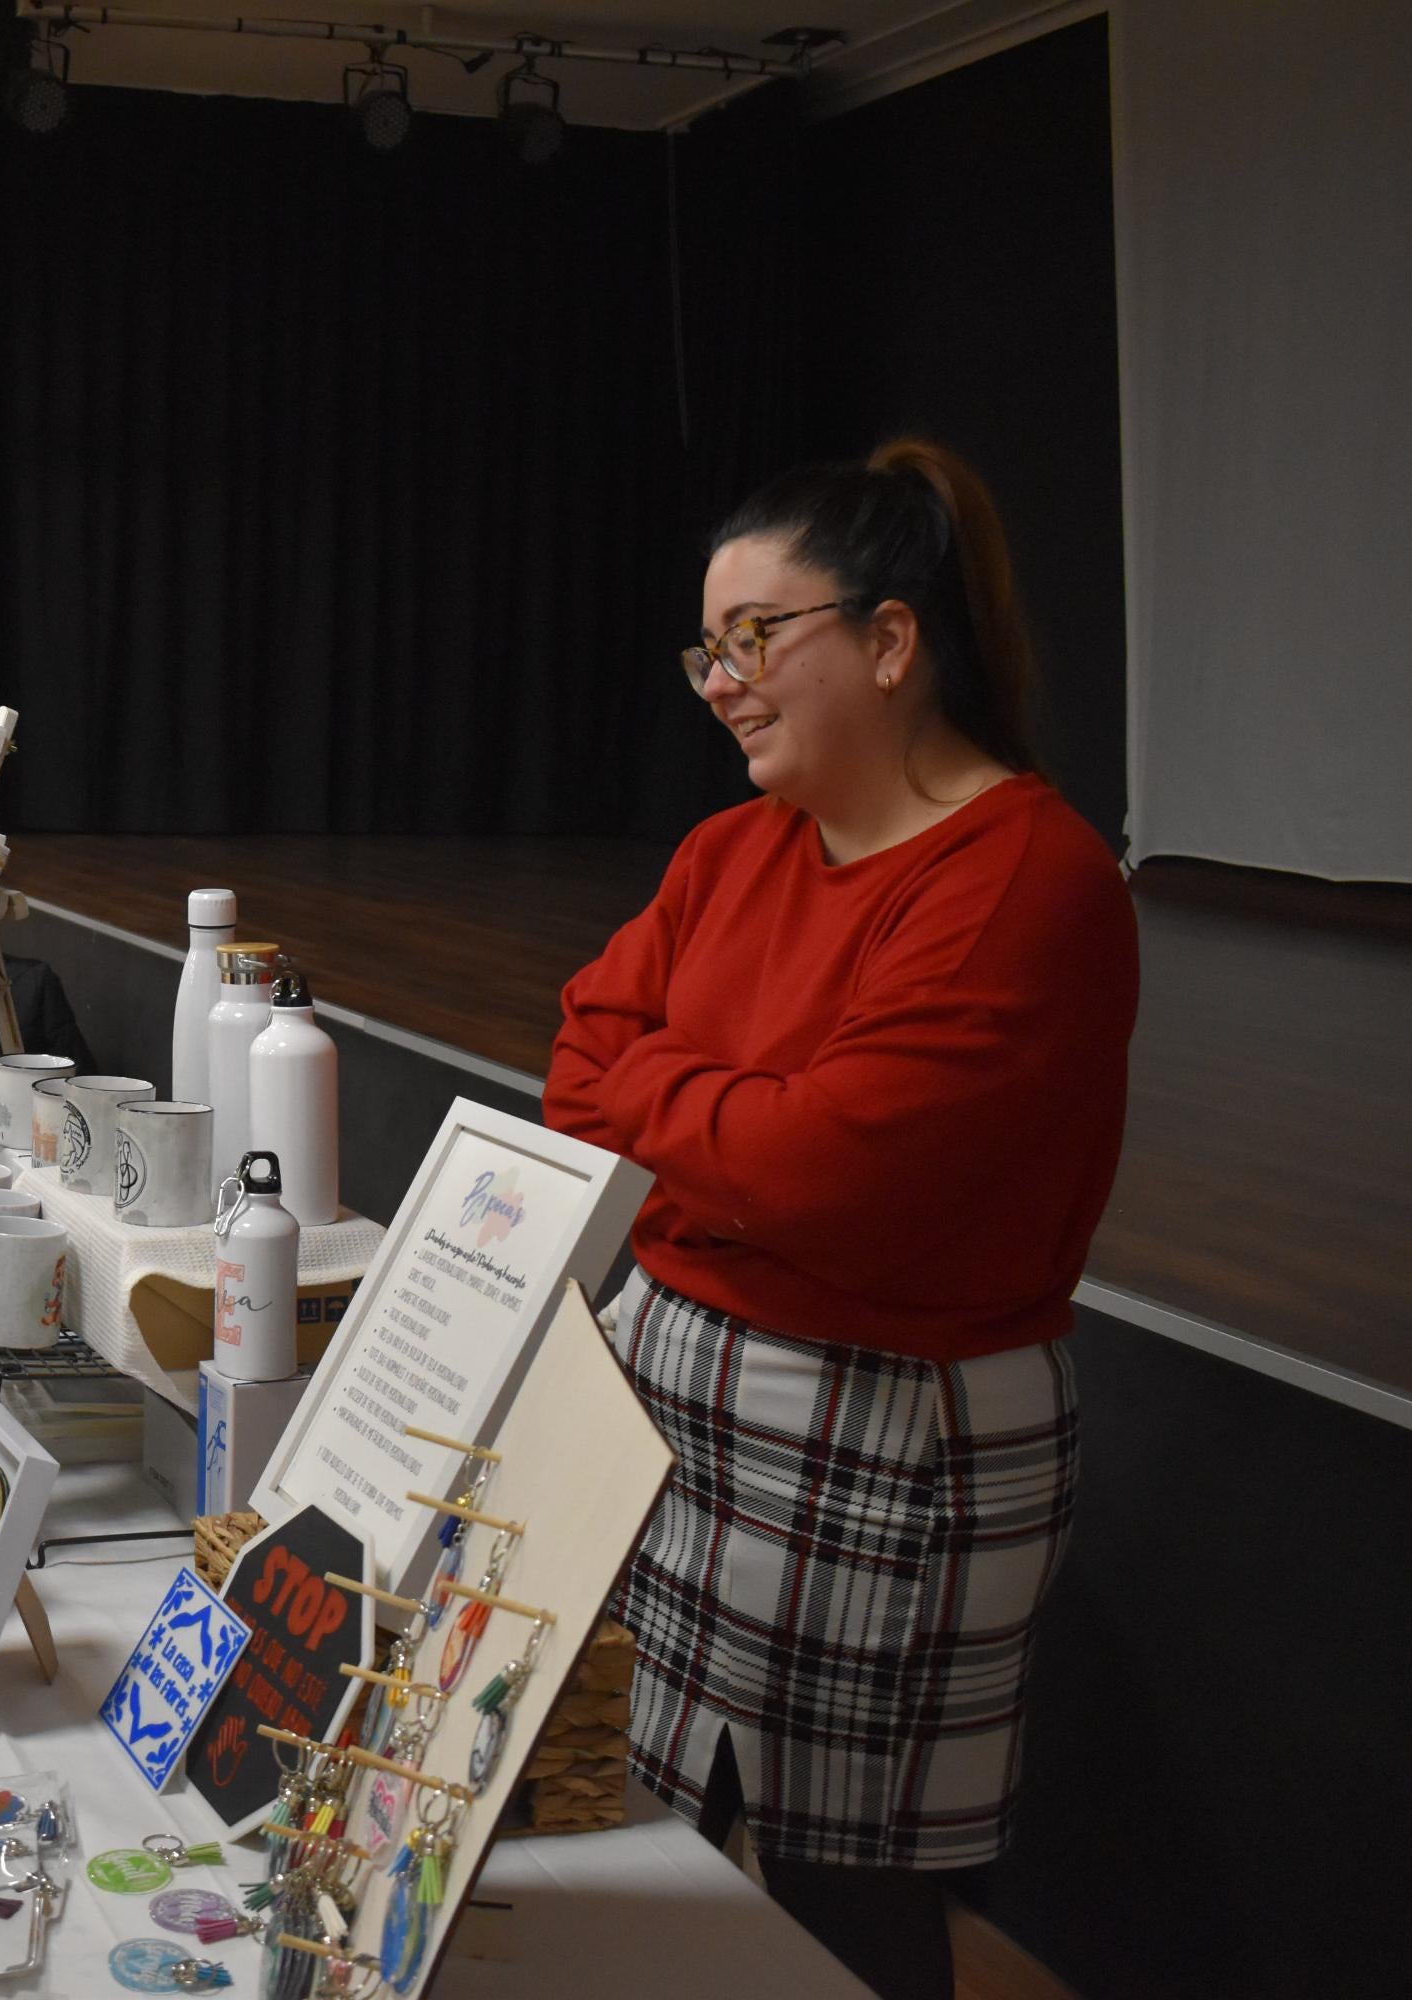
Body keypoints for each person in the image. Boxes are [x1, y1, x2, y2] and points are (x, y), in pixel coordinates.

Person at [545, 441, 1137, 2000]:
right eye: (708, 652)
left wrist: (688, 1107)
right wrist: (742, 1122)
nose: (722, 682)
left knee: (848, 1899)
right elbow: (575, 1064)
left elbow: (834, 1179)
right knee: (672, 1815)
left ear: (889, 642)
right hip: (688, 1400)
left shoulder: (1028, 878)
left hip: (883, 1432)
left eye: (755, 638)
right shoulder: (731, 850)